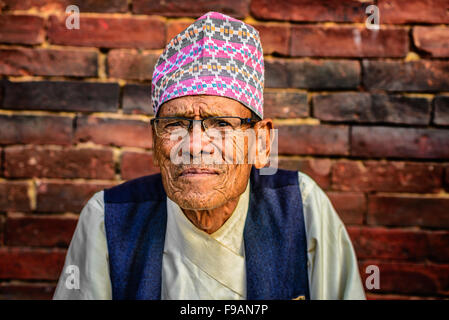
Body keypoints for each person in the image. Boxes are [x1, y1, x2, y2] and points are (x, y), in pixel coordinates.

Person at [53, 11, 365, 300]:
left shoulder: (303, 207)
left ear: (261, 143)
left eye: (221, 124)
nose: (195, 144)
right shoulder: (107, 219)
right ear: (154, 141)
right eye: (175, 124)